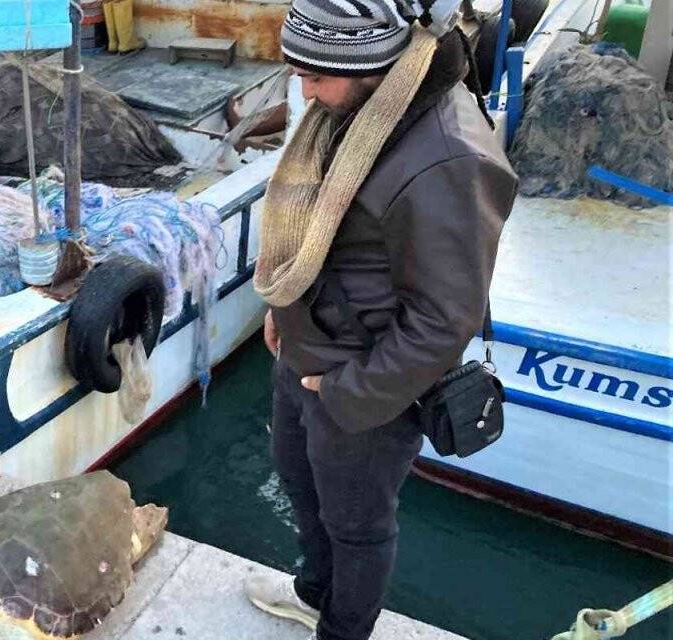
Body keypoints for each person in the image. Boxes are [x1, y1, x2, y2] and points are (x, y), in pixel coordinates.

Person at [245, 0, 517, 639]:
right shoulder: (359, 106)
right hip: (306, 351)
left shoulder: (449, 157)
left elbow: (446, 320)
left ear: (372, 62)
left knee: (358, 526)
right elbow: (322, 224)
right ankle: (313, 592)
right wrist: (283, 310)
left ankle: (341, 632)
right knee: (298, 481)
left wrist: (347, 391)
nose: (306, 91)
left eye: (317, 75)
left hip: (365, 382)